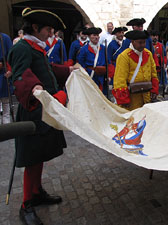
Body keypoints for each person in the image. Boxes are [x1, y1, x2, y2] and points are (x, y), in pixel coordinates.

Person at [7, 7, 75, 225]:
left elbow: (46, 69)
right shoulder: (23, 48)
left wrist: (68, 70)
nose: (50, 34)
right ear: (35, 28)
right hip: (33, 110)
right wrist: (35, 88)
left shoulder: (36, 47)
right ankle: (26, 204)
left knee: (40, 156)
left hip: (45, 110)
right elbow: (20, 75)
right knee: (31, 158)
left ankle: (37, 192)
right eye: (48, 29)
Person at [112, 30, 159, 111]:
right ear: (133, 42)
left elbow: (153, 74)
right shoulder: (124, 56)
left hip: (146, 97)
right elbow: (120, 80)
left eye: (144, 42)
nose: (143, 45)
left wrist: (154, 90)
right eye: (140, 43)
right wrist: (124, 100)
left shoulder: (148, 54)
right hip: (131, 99)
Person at [77, 27, 111, 95]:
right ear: (89, 36)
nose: (96, 37)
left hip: (102, 77)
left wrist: (109, 75)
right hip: (90, 76)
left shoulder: (103, 48)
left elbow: (108, 63)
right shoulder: (84, 49)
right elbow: (81, 64)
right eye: (94, 35)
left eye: (97, 35)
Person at [0, 31, 12, 124]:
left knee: (5, 101)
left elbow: (11, 56)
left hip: (3, 73)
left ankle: (6, 123)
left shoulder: (5, 38)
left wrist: (10, 70)